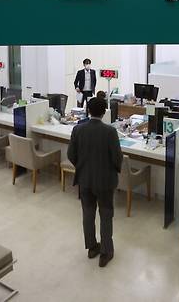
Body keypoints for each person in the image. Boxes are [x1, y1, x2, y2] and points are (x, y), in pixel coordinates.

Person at [67, 97, 123, 267]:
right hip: (105, 182)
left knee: (88, 214)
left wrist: (81, 167)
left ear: (88, 111)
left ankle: (92, 247)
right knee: (106, 215)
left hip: (84, 180)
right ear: (104, 111)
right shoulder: (110, 132)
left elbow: (71, 154)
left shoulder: (78, 129)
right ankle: (105, 252)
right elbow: (117, 158)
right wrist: (114, 170)